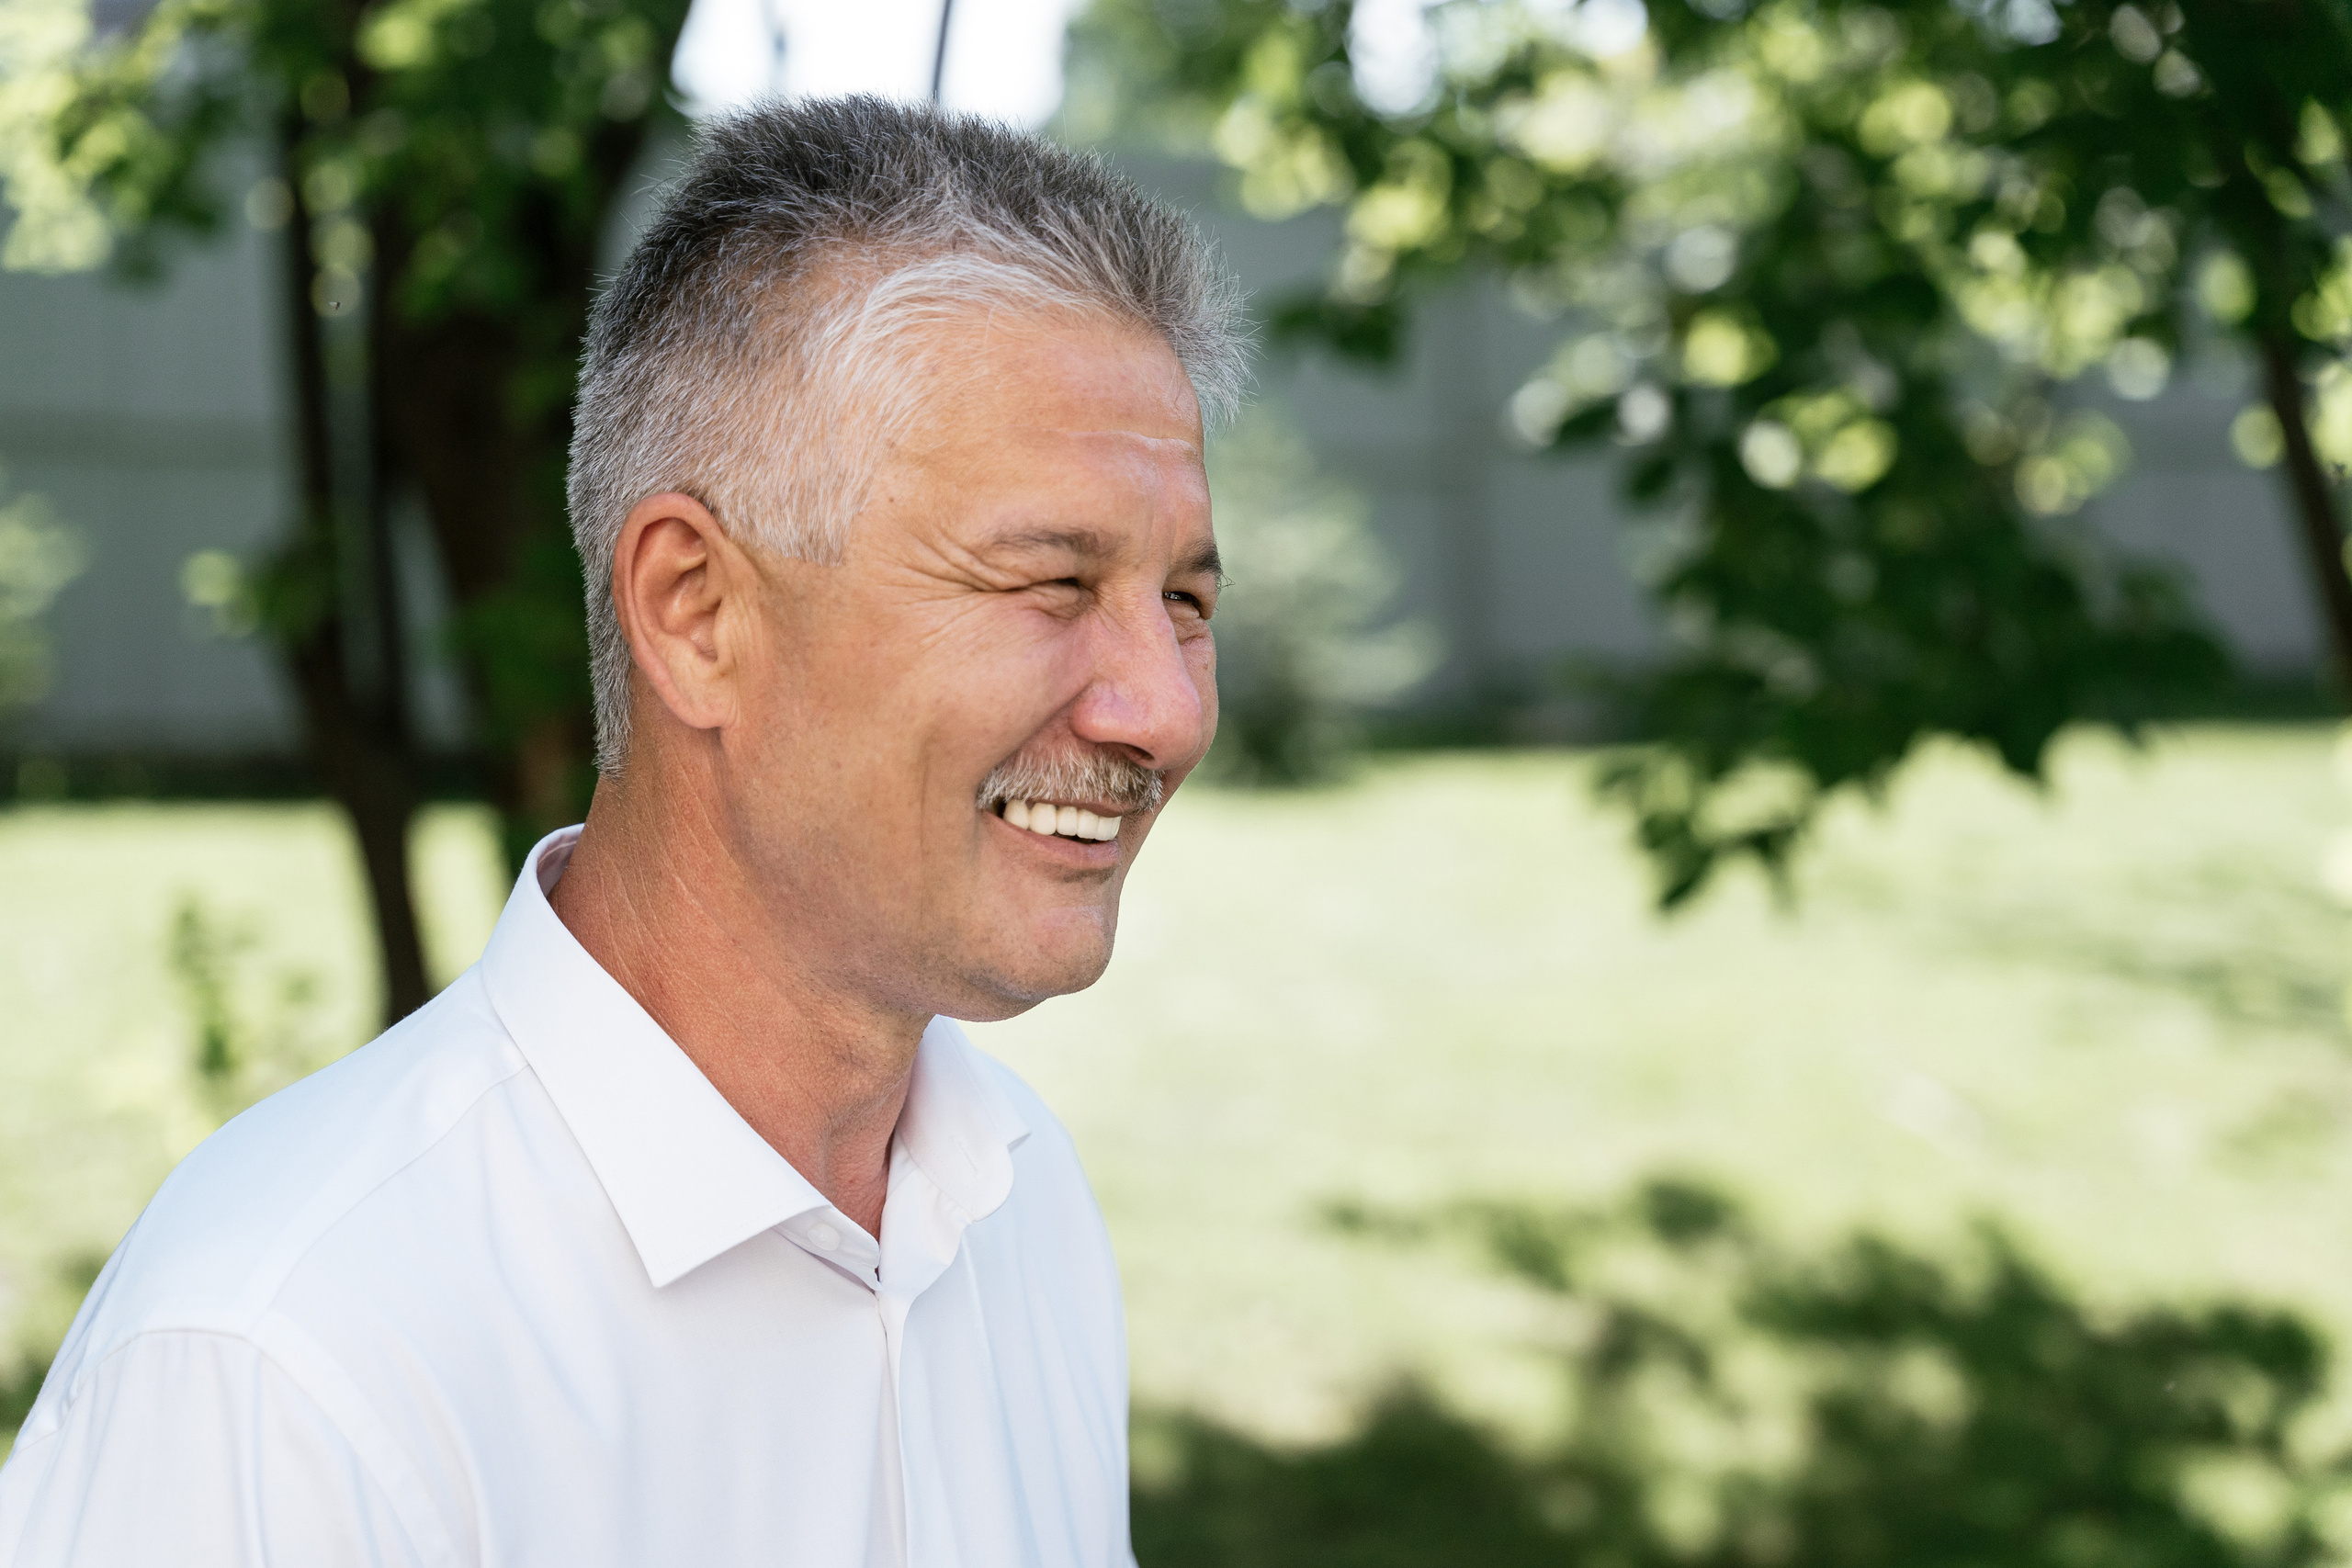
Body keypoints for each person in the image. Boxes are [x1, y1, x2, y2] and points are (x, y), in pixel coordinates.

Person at [0, 96, 1248, 1567]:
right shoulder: (282, 1368)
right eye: (1050, 582)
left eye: (1184, 600)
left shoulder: (1018, 1204)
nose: (1163, 711)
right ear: (695, 613)